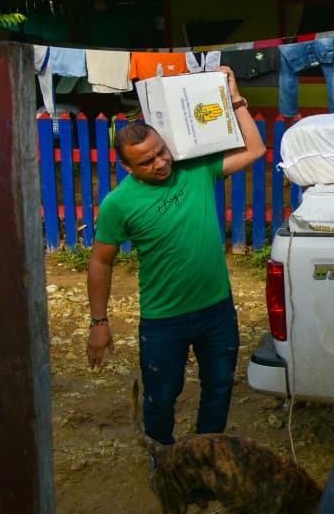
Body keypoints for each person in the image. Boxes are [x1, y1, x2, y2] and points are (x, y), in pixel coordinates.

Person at [86, 65, 266, 445]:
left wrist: (235, 99)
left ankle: (206, 456)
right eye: (147, 162)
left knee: (218, 389)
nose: (161, 163)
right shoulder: (119, 203)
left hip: (217, 310)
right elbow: (101, 261)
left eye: (161, 152)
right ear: (127, 167)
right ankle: (161, 461)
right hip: (164, 319)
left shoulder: (194, 167)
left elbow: (255, 149)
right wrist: (99, 322)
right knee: (161, 399)